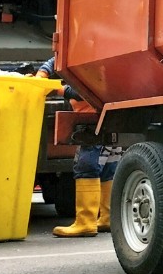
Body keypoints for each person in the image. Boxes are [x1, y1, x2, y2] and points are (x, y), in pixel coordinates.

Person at [36, 55, 121, 238]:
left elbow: (83, 92)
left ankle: (86, 222)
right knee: (108, 168)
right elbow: (56, 59)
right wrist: (42, 73)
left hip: (95, 123)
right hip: (112, 122)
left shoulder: (93, 63)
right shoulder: (99, 53)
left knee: (86, 167)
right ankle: (108, 218)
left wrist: (54, 88)